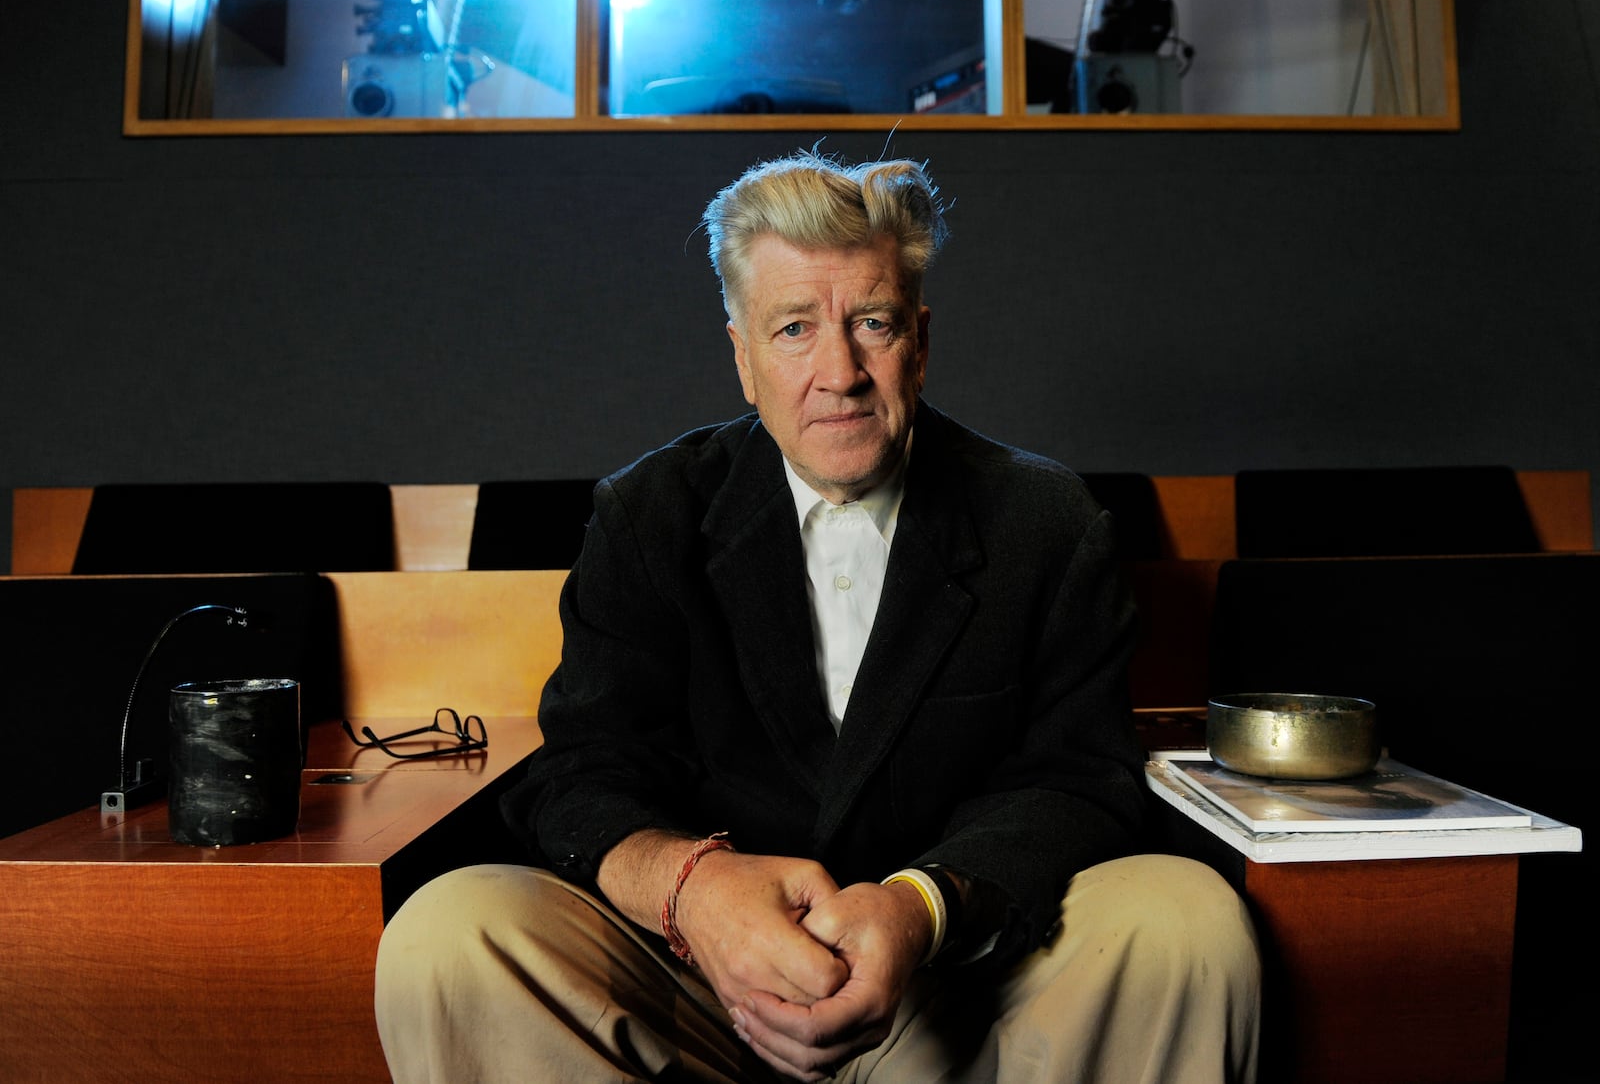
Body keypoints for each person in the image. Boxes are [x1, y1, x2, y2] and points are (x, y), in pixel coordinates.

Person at [374, 151, 1261, 1083]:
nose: (838, 372)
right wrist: (694, 891)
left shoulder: (1047, 522)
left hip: (963, 989)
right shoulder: (648, 514)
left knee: (1187, 922)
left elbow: (1083, 781)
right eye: (794, 327)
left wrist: (920, 908)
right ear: (742, 357)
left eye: (871, 323)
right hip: (699, 990)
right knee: (449, 933)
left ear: (920, 339)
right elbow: (584, 774)